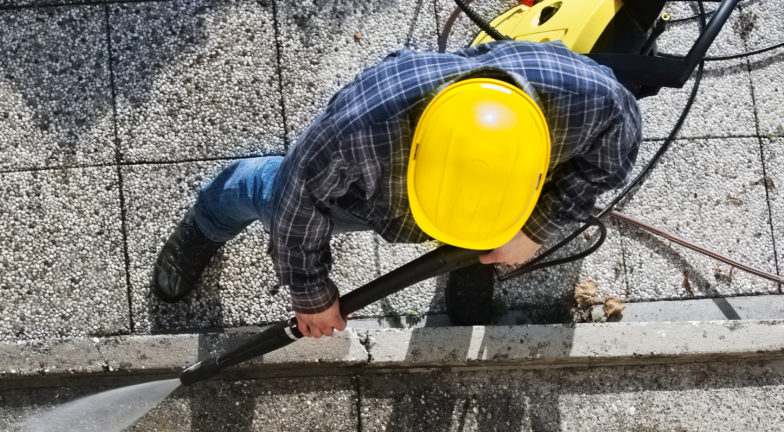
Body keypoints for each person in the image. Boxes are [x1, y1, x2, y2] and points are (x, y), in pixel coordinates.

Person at [153, 39, 642, 337]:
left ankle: (467, 252)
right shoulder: (359, 133)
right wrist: (312, 295)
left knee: (483, 238)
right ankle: (207, 220)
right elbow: (295, 202)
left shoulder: (590, 101)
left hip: (482, 186)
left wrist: (534, 227)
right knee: (264, 189)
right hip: (373, 198)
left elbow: (616, 147)